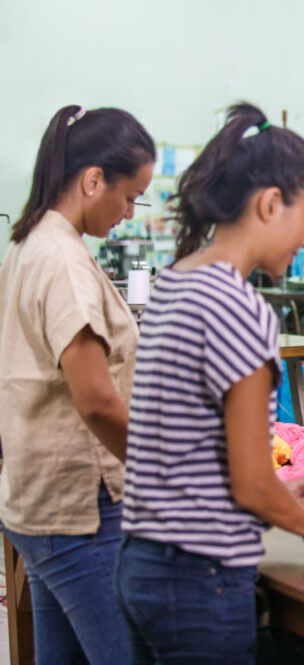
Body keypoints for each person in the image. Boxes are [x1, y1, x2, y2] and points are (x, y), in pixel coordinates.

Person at [115, 103, 304, 661]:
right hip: (201, 579)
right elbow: (250, 485)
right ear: (270, 203)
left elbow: (183, 445)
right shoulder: (240, 308)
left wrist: (274, 494)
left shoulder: (175, 283)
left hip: (142, 566)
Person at [0, 105, 155, 662]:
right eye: (130, 196)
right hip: (78, 509)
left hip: (37, 500)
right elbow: (93, 401)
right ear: (93, 180)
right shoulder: (62, 259)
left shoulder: (28, 245)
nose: (130, 212)